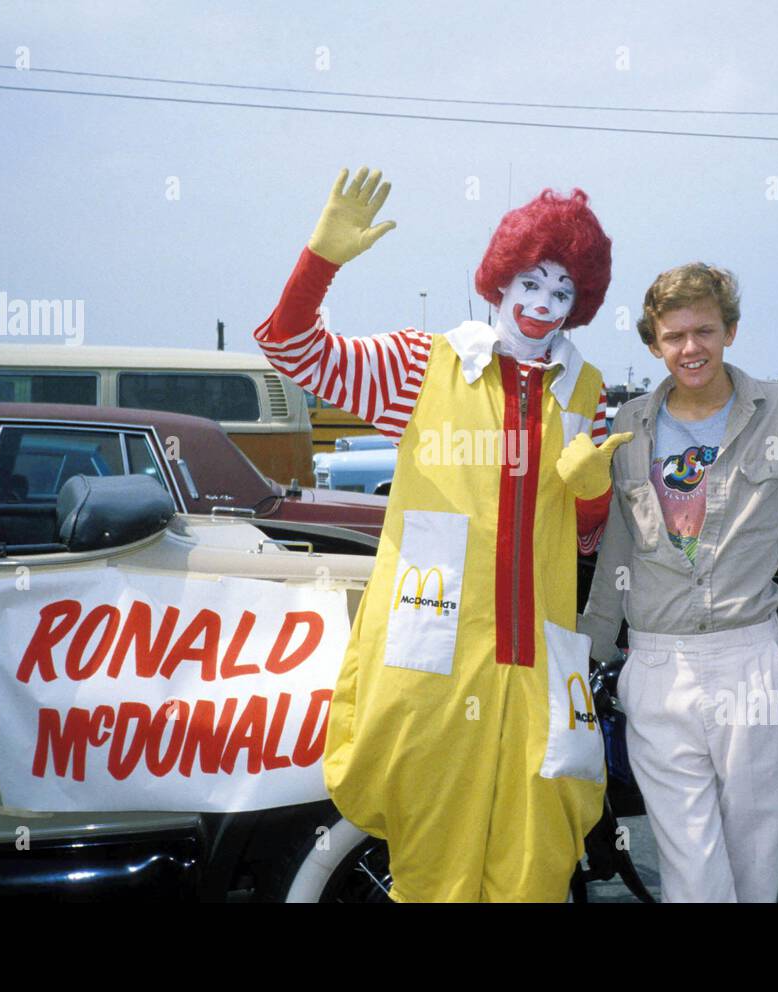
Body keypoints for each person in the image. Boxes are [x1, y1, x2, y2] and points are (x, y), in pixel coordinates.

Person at [252, 166, 630, 902]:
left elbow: (583, 539)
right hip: (437, 659)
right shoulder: (422, 365)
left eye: (564, 292)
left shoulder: (585, 391)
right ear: (500, 281)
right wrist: (319, 262)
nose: (544, 304)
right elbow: (294, 351)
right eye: (533, 282)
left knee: (538, 856)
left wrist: (591, 496)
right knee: (434, 858)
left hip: (540, 667)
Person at [579, 262, 778, 902]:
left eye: (703, 331)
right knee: (692, 869)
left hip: (750, 661)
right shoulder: (630, 425)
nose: (689, 348)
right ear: (652, 343)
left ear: (730, 331)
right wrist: (584, 657)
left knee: (753, 862)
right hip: (655, 666)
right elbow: (618, 552)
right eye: (674, 337)